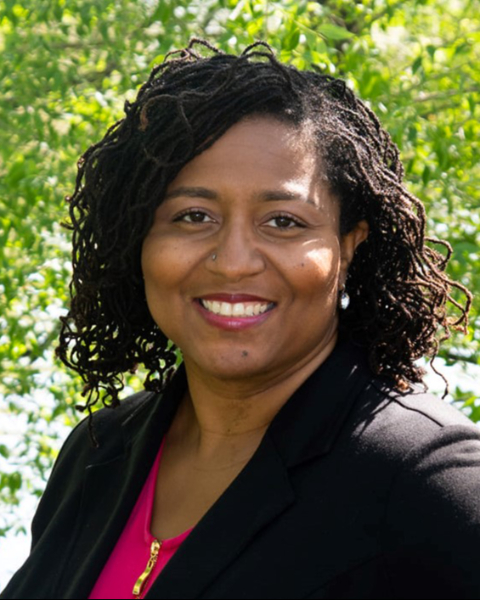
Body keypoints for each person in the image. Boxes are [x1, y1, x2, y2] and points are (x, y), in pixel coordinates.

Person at [1, 38, 479, 600]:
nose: (233, 262)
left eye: (283, 222)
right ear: (138, 239)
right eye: (193, 215)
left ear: (349, 247)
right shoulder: (98, 454)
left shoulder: (429, 481)